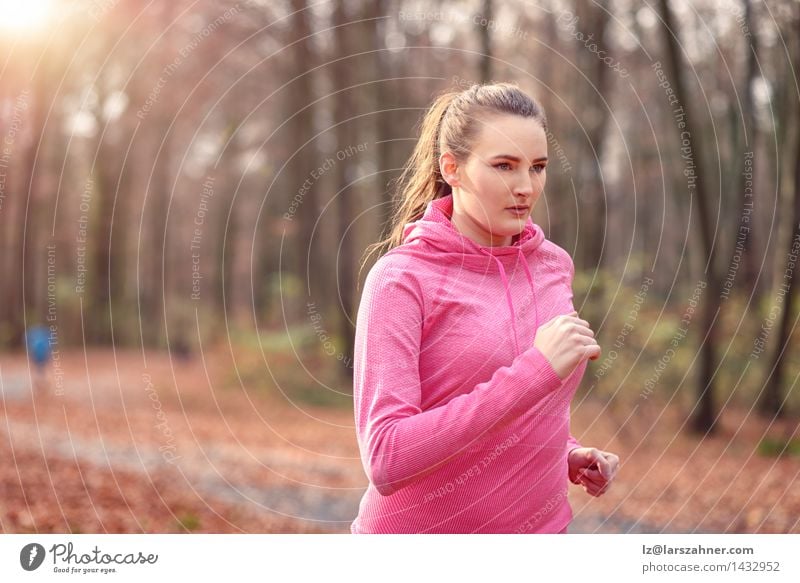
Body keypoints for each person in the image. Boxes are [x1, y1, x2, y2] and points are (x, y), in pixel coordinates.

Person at [351, 82, 619, 534]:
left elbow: (523, 408)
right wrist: (536, 371)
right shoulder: (401, 280)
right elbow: (387, 457)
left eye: (537, 167)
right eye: (503, 166)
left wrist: (565, 451)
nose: (525, 187)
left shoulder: (553, 265)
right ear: (452, 169)